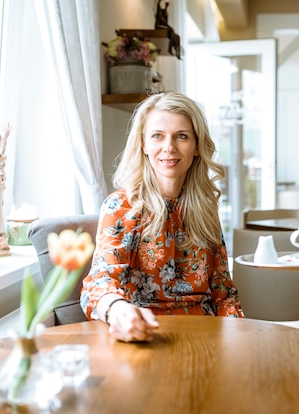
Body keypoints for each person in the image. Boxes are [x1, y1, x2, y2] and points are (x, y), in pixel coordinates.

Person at [81, 92, 243, 343]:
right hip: (146, 336)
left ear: (197, 146)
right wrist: (117, 309)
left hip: (206, 339)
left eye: (182, 136)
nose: (169, 147)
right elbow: (100, 282)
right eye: (157, 136)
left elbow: (223, 293)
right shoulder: (122, 206)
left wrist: (239, 337)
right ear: (144, 144)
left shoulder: (205, 208)